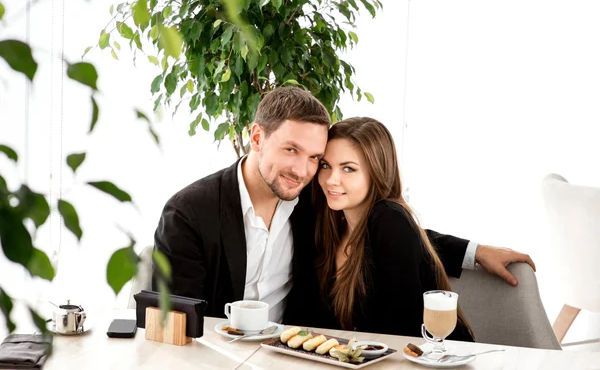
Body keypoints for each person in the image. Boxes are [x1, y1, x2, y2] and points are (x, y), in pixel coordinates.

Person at [153, 87, 535, 323]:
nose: (303, 171)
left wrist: (476, 251)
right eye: (291, 150)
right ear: (256, 136)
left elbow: (385, 227)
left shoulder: (312, 199)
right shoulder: (189, 214)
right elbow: (174, 323)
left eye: (314, 158)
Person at [293, 117, 473, 339]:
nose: (331, 179)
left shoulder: (389, 219)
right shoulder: (328, 224)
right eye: (325, 165)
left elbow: (400, 332)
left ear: (376, 173)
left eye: (349, 169)